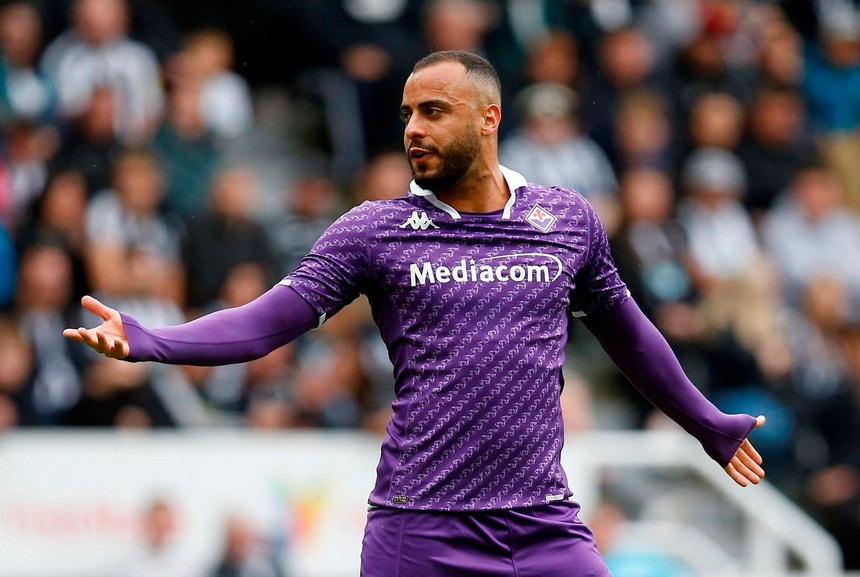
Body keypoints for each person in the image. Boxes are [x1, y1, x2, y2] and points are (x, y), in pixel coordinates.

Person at [65, 51, 765, 577]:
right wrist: (152, 338)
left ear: (489, 118)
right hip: (422, 531)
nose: (414, 130)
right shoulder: (375, 230)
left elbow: (632, 339)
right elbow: (266, 322)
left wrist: (707, 423)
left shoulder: (566, 221)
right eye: (406, 115)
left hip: (544, 525)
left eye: (433, 111)